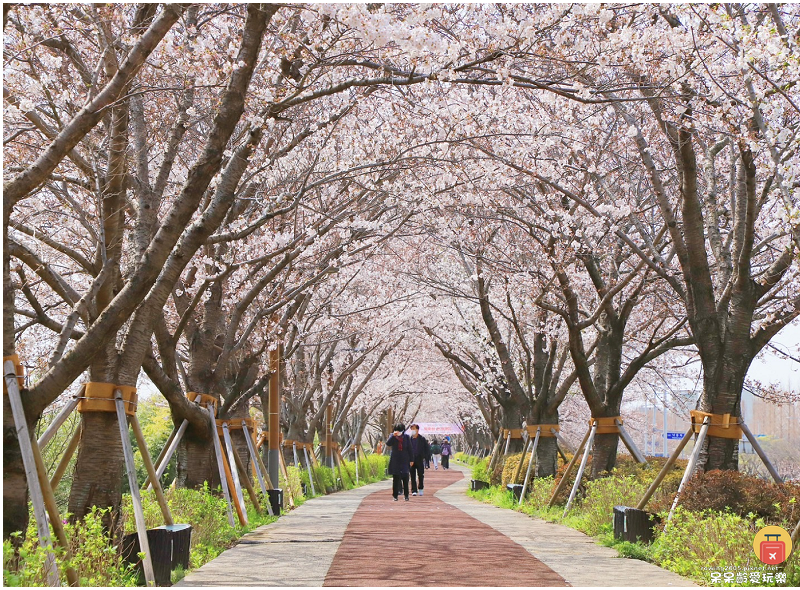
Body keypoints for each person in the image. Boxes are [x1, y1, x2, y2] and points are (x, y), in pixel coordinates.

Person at [385, 423, 413, 501]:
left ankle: (406, 495)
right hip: (395, 460)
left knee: (405, 477)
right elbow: (388, 443)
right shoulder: (393, 436)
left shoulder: (406, 437)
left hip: (405, 459)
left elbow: (410, 449)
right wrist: (393, 436)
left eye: (400, 431)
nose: (398, 432)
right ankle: (395, 495)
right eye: (397, 430)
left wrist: (411, 459)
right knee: (396, 478)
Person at [408, 424, 431, 496]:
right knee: (412, 475)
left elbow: (427, 449)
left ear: (417, 430)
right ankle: (414, 490)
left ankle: (420, 488)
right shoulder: (409, 439)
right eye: (411, 429)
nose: (413, 430)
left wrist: (426, 459)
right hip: (411, 460)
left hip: (419, 459)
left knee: (420, 474)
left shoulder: (422, 439)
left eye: (414, 429)